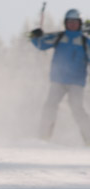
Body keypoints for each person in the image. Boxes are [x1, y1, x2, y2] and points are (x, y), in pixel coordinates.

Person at [30, 9, 90, 145]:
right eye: (69, 22)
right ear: (65, 23)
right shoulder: (59, 37)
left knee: (77, 109)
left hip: (76, 82)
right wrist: (34, 35)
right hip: (58, 80)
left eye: (75, 22)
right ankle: (44, 137)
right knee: (50, 106)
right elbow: (40, 44)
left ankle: (88, 138)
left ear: (80, 23)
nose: (72, 25)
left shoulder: (84, 41)